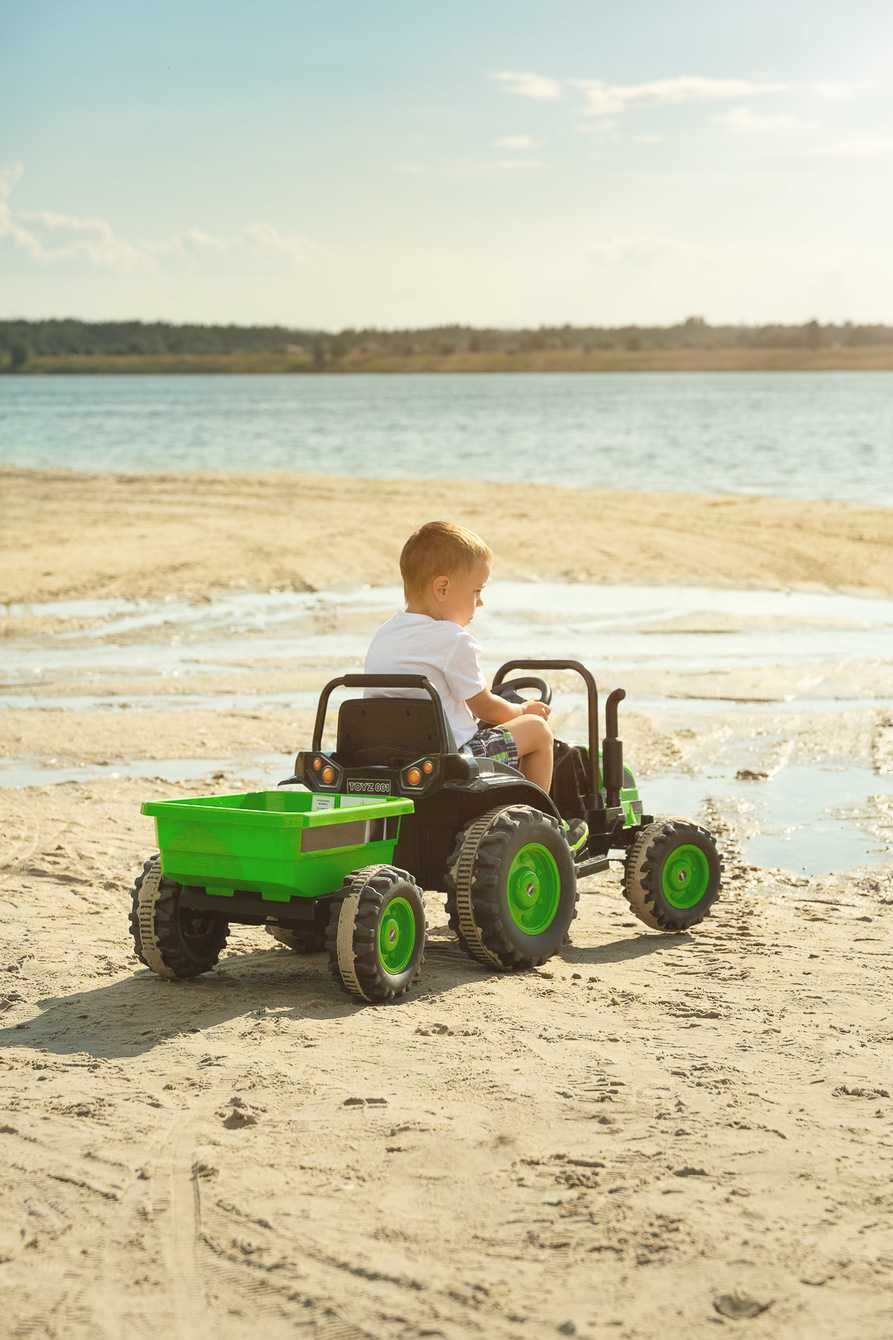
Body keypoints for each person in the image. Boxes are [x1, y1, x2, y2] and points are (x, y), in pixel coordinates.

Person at [364, 520, 588, 852]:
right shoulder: (453, 640)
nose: (480, 604)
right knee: (537, 731)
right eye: (477, 591)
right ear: (442, 588)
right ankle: (539, 827)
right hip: (453, 758)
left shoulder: (385, 634)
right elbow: (486, 707)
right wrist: (521, 709)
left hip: (394, 757)